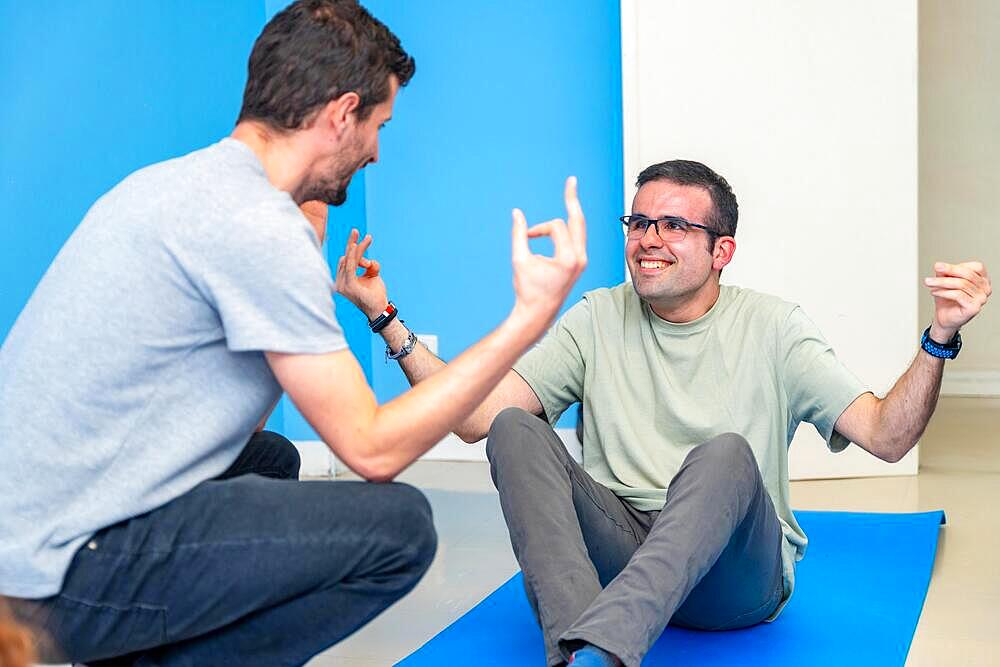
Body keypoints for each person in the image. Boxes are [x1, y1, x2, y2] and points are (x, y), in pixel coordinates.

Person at [0, 1, 587, 664]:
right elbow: (372, 449)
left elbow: (223, 423)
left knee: (272, 460)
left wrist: (308, 247)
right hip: (50, 580)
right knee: (400, 532)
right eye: (378, 124)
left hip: (25, 535)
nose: (376, 151)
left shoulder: (174, 186)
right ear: (340, 115)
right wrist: (528, 318)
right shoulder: (254, 224)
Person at [336, 159, 992, 667]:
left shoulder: (775, 327)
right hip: (623, 550)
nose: (649, 239)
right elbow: (475, 418)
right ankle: (581, 650)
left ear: (721, 251)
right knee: (514, 426)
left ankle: (600, 645)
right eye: (639, 222)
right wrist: (387, 320)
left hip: (732, 582)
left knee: (726, 453)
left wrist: (939, 337)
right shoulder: (598, 316)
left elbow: (886, 435)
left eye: (675, 225)